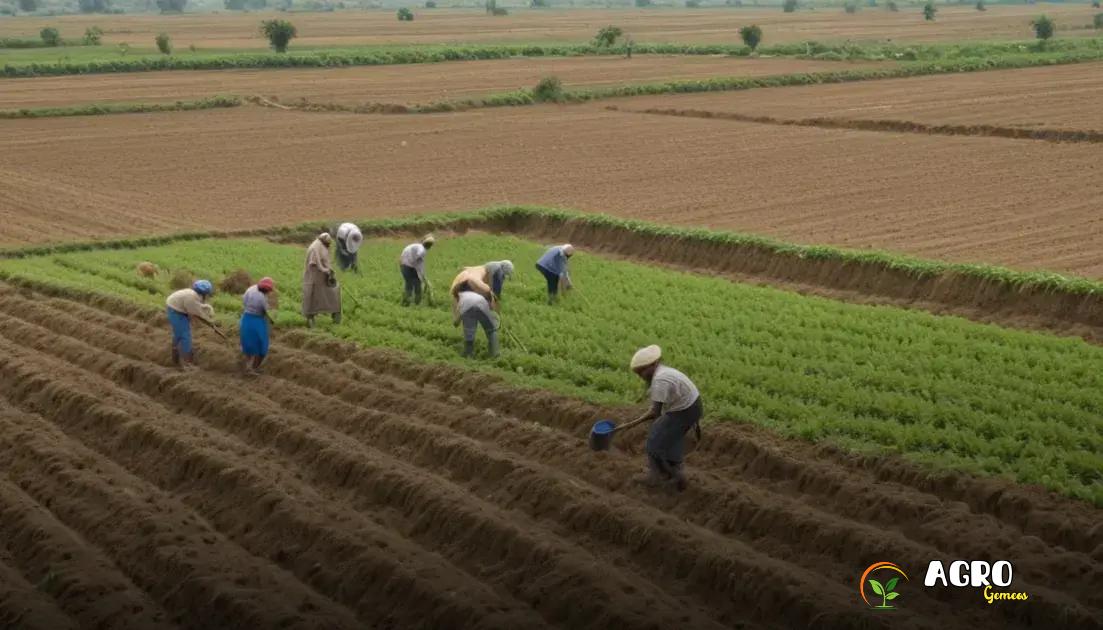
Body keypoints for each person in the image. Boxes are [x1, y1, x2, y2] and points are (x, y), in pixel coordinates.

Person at [624, 345, 702, 492]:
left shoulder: (660, 380)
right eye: (638, 373)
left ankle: (666, 477)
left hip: (686, 410)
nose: (640, 375)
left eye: (642, 371)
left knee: (654, 445)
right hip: (690, 406)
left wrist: (632, 424)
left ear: (653, 365)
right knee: (667, 438)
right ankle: (673, 471)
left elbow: (655, 413)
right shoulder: (663, 371)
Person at [165, 279, 222, 370]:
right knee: (185, 335)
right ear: (204, 294)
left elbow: (198, 307)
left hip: (176, 306)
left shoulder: (194, 295)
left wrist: (210, 321)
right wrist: (211, 323)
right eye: (207, 294)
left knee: (178, 334)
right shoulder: (191, 298)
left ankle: (175, 358)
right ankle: (187, 364)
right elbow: (198, 315)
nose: (208, 296)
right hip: (175, 310)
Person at [302, 232, 341, 327]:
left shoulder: (320, 245)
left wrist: (329, 271)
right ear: (324, 241)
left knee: (334, 293)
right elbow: (314, 264)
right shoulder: (315, 248)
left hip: (324, 278)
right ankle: (310, 318)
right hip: (315, 279)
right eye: (328, 244)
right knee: (313, 298)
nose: (329, 245)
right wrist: (325, 270)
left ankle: (335, 314)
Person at [240, 277, 276, 376]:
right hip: (257, 321)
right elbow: (267, 312)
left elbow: (244, 301)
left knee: (249, 345)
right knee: (261, 346)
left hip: (246, 319)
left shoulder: (250, 289)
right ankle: (253, 368)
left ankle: (250, 367)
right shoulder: (262, 298)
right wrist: (272, 320)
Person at [449, 260, 513, 316]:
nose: (504, 277)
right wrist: (496, 303)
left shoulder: (491, 265)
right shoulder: (498, 270)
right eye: (504, 275)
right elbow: (496, 289)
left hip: (461, 280)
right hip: (471, 282)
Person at [453, 290, 499, 359]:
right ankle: (495, 354)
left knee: (469, 333)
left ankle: (468, 355)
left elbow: (458, 311)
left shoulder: (458, 295)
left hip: (468, 308)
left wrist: (457, 321)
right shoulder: (479, 288)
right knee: (491, 330)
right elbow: (493, 300)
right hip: (482, 304)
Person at [399, 234, 435, 306]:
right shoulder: (422, 250)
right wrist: (422, 276)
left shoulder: (417, 246)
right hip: (409, 266)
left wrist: (421, 274)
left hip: (403, 265)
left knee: (409, 284)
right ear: (430, 246)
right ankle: (416, 303)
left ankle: (406, 302)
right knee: (417, 286)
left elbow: (418, 263)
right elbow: (418, 258)